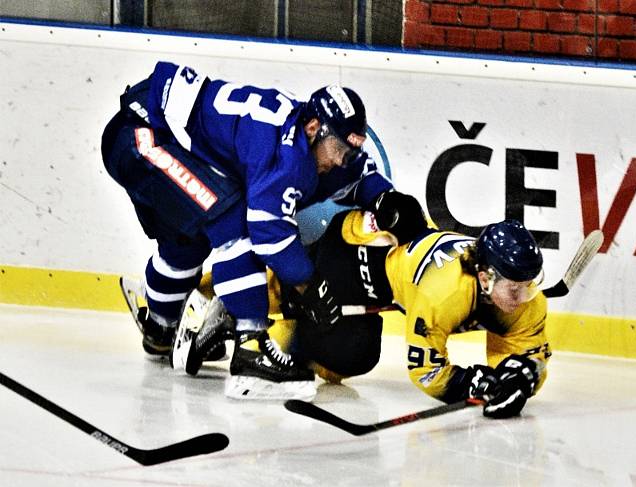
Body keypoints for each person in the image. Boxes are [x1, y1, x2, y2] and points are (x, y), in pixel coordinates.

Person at [101, 61, 426, 395]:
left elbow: (357, 172)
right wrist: (312, 288)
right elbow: (270, 237)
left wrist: (386, 198)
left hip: (152, 132)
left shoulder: (318, 141)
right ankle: (251, 352)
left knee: (187, 243)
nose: (341, 160)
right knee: (234, 225)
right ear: (314, 127)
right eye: (339, 150)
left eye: (350, 151)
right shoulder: (286, 155)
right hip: (140, 135)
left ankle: (159, 329)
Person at [189, 209, 550, 416]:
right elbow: (425, 369)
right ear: (485, 278)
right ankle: (219, 300)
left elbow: (527, 353)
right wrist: (473, 382)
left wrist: (522, 376)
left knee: (351, 358)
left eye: (529, 285)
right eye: (515, 289)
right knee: (291, 292)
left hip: (388, 283)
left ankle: (270, 334)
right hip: (356, 255)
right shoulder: (446, 292)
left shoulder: (523, 298)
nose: (524, 297)